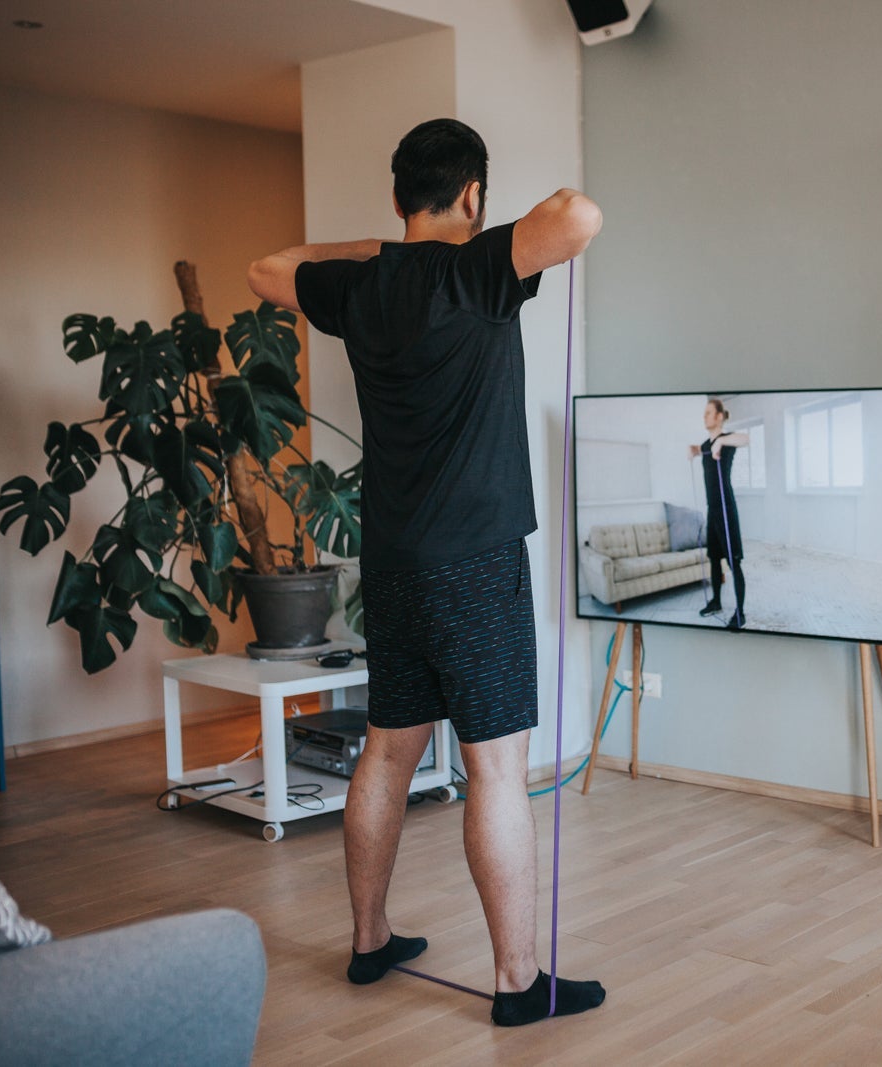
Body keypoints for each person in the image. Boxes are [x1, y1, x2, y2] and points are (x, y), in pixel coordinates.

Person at [246, 118, 604, 1027]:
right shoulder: (477, 269)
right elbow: (579, 216)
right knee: (496, 768)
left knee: (388, 749)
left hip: (394, 563)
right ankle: (517, 981)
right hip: (477, 563)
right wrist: (443, 240)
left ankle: (370, 940)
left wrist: (379, 249)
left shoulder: (365, 285)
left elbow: (267, 269)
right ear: (473, 194)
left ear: (400, 195)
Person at [687, 398, 749, 630]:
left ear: (719, 417)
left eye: (708, 413)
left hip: (726, 510)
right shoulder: (707, 444)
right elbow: (701, 449)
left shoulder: (727, 440)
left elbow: (746, 439)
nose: (704, 416)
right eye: (704, 413)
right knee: (714, 559)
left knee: (734, 562)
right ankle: (716, 602)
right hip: (712, 510)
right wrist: (694, 450)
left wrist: (721, 441)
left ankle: (740, 613)